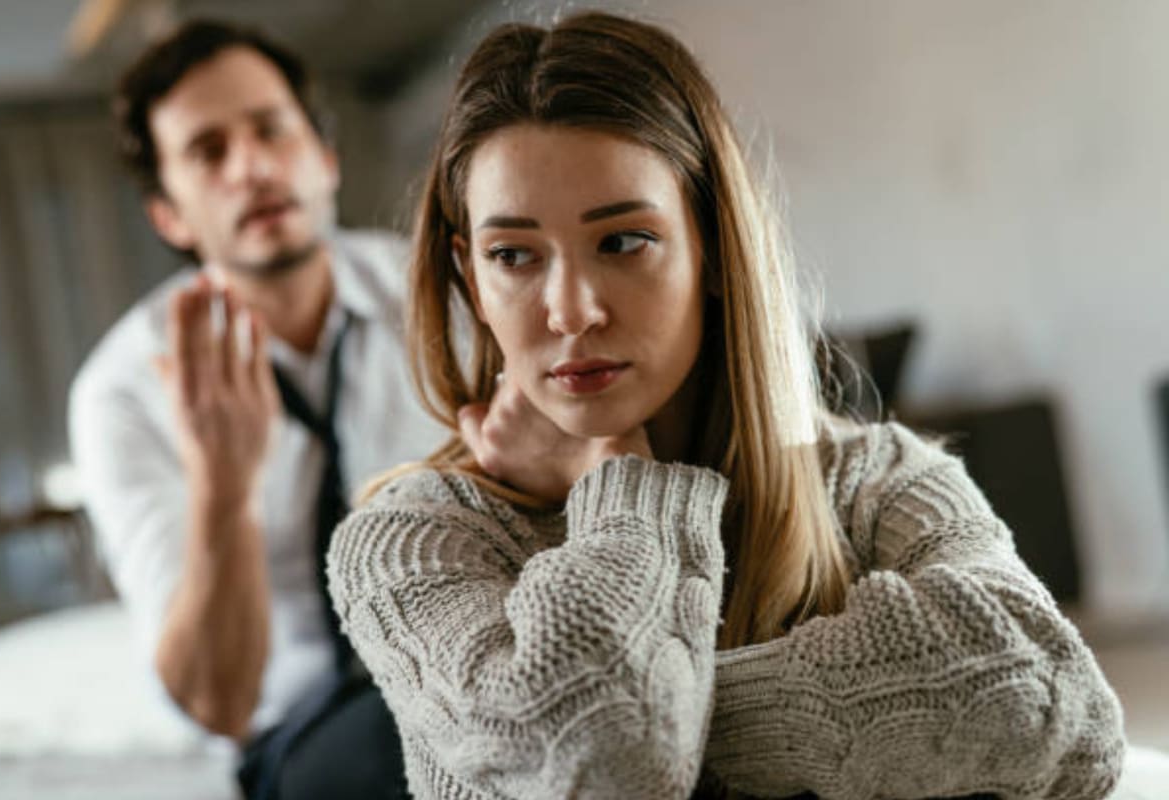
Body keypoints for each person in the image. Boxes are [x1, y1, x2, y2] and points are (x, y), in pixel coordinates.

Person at [326, 11, 1126, 800]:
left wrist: (679, 704)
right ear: (471, 278)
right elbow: (599, 770)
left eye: (623, 241)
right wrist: (628, 488)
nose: (570, 310)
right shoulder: (409, 540)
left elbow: (1062, 713)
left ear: (711, 244)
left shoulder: (880, 481)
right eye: (513, 256)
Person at [68, 19, 443, 800]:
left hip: (472, 666)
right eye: (208, 152)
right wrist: (224, 486)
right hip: (300, 731)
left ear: (324, 155)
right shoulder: (121, 395)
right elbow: (219, 701)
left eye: (272, 130)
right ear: (168, 215)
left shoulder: (446, 297)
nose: (253, 167)